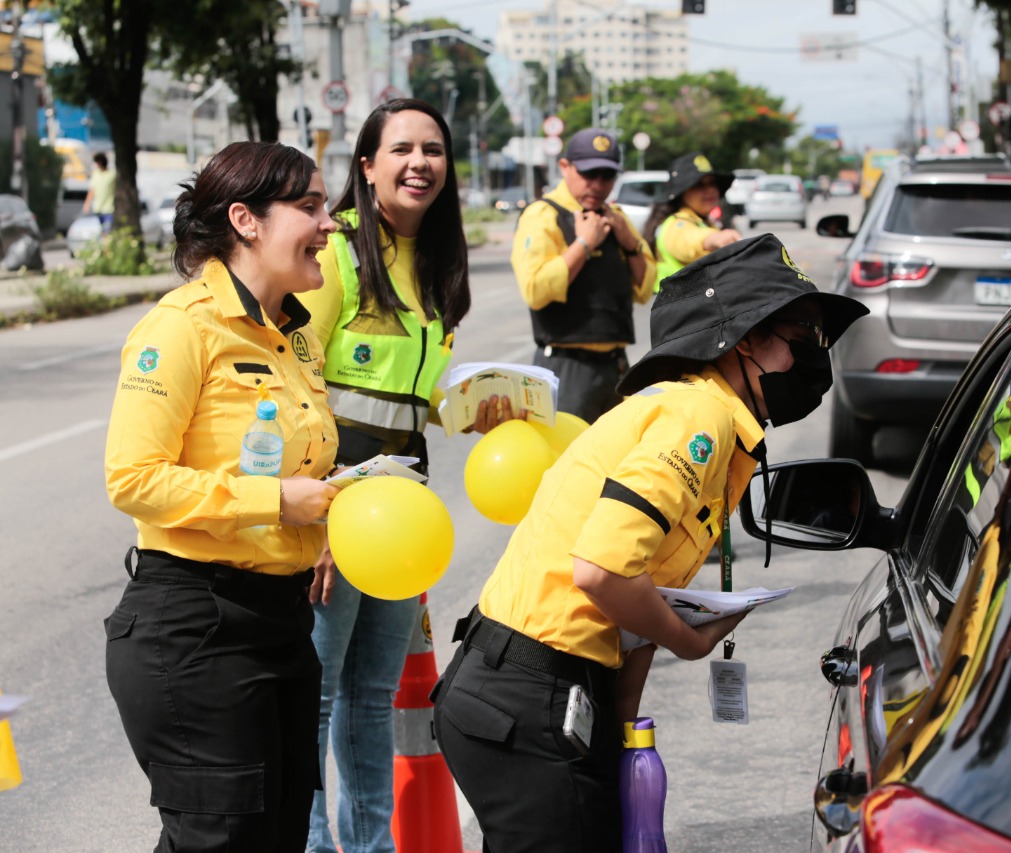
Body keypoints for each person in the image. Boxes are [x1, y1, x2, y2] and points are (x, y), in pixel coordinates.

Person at [432, 233, 868, 852]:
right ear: (745, 338)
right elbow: (601, 571)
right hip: (525, 698)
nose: (815, 357)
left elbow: (636, 588)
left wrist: (625, 725)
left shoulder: (720, 431)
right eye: (803, 337)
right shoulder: (699, 418)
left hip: (551, 691)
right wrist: (689, 641)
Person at [103, 141, 341, 852]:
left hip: (283, 622)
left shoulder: (293, 337)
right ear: (245, 220)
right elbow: (132, 477)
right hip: (195, 626)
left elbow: (304, 462)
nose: (330, 223)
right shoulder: (180, 327)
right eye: (308, 207)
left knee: (278, 833)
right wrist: (272, 501)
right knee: (220, 838)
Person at [298, 98, 512, 853]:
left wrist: (473, 411)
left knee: (372, 698)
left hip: (401, 514)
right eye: (401, 149)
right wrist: (322, 513)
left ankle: (371, 847)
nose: (419, 162)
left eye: (434, 149)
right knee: (317, 700)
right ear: (367, 165)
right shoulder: (337, 253)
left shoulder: (437, 268)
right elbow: (299, 387)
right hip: (334, 508)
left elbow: (408, 404)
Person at [511, 127, 657, 423]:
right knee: (566, 462)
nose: (598, 184)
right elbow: (536, 290)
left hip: (615, 366)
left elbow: (644, 290)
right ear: (565, 167)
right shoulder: (543, 215)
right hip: (567, 368)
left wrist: (629, 244)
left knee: (615, 462)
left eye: (607, 175)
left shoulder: (614, 216)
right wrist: (583, 245)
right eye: (589, 174)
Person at [642, 151, 742, 292]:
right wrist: (714, 239)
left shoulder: (706, 221)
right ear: (682, 193)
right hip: (681, 311)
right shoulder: (676, 224)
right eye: (699, 185)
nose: (709, 190)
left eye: (712, 183)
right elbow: (689, 240)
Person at [82, 151, 117, 230]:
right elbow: (92, 191)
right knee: (100, 231)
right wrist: (87, 204)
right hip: (97, 208)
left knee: (107, 230)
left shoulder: (112, 174)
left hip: (109, 208)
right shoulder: (95, 174)